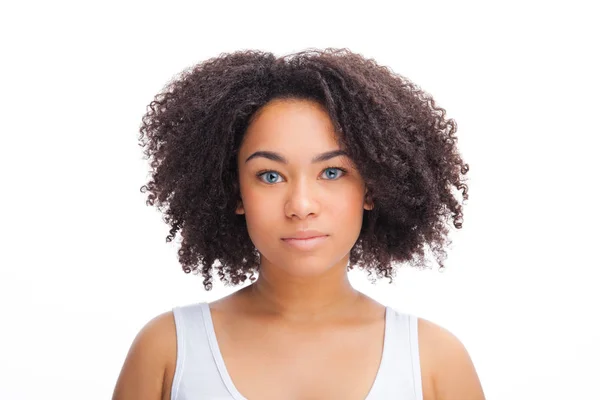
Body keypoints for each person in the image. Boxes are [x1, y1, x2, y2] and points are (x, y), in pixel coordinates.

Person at [112, 48, 485, 400]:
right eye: (270, 176)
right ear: (235, 190)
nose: (301, 206)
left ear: (372, 187)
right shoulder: (168, 352)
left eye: (333, 172)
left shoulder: (435, 362)